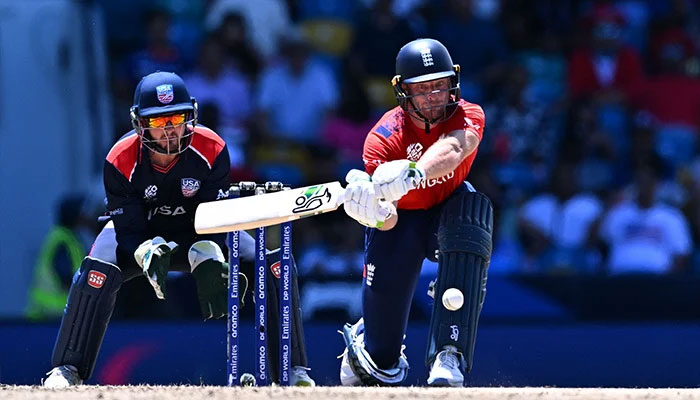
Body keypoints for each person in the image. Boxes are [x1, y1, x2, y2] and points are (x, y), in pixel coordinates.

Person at [43, 71, 314, 387]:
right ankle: (67, 369)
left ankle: (293, 371)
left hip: (200, 232)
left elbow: (217, 218)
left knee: (273, 262)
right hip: (142, 235)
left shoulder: (211, 148)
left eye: (177, 119)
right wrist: (145, 251)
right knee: (98, 262)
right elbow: (127, 230)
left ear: (191, 117)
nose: (170, 132)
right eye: (159, 123)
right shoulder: (120, 159)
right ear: (140, 124)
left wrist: (207, 256)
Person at [338, 38, 493, 387]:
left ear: (452, 83)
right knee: (380, 363)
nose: (433, 97)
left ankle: (448, 354)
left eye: (439, 86)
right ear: (402, 91)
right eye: (422, 89)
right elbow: (388, 218)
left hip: (447, 211)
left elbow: (455, 148)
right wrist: (371, 209)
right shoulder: (382, 138)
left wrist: (413, 173)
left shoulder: (469, 113)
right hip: (400, 225)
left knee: (471, 211)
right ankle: (370, 338)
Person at [26, 195, 91, 320]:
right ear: (74, 216)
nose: (85, 216)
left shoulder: (70, 238)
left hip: (55, 312)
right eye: (81, 213)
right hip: (51, 313)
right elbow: (65, 276)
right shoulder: (62, 240)